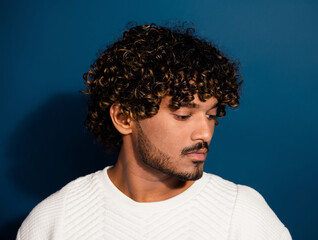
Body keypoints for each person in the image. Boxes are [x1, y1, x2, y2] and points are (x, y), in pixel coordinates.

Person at [17, 23, 292, 240]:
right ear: (125, 118)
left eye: (211, 115)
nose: (205, 134)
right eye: (183, 115)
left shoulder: (243, 214)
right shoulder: (55, 219)